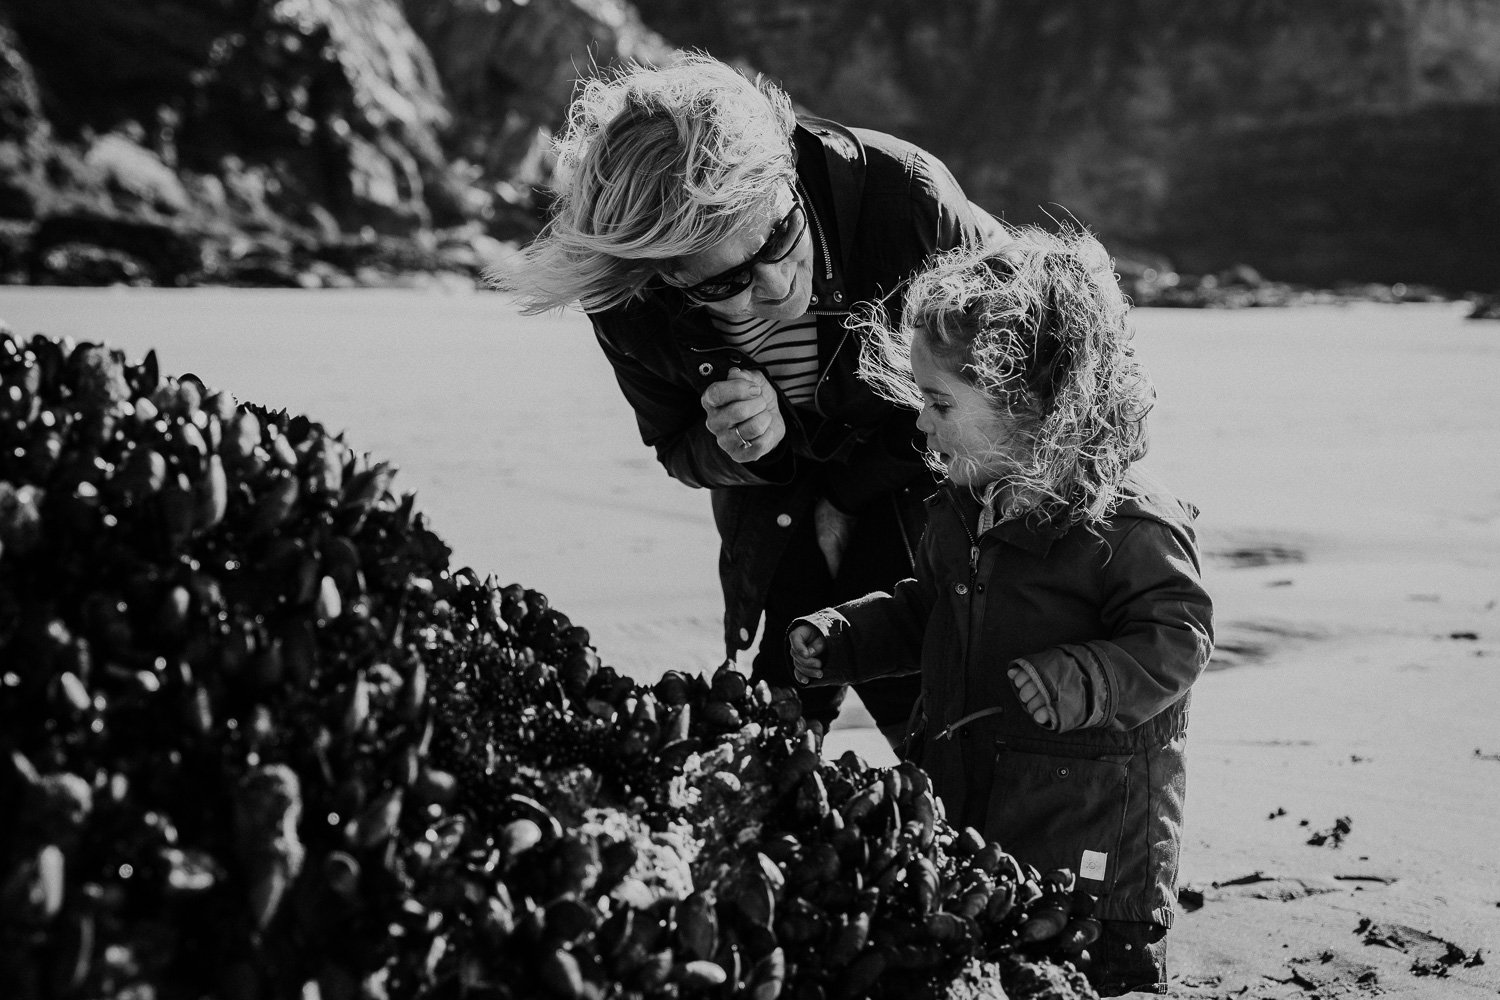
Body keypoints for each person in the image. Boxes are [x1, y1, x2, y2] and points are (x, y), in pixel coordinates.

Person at [491, 53, 1004, 747]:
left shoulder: (905, 199)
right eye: (722, 283)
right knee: (773, 732)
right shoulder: (626, 298)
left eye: (780, 236)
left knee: (940, 722)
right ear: (660, 276)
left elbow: (1000, 395)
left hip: (929, 472)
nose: (775, 287)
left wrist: (846, 496)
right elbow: (677, 446)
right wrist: (748, 449)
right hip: (779, 502)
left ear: (786, 173)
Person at [788, 228, 1215, 995]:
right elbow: (933, 614)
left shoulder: (1128, 525)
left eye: (938, 401)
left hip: (1093, 850)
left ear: (1028, 400)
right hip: (972, 818)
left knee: (1084, 980)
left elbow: (1177, 640)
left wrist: (1086, 679)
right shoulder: (963, 504)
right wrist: (847, 638)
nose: (920, 423)